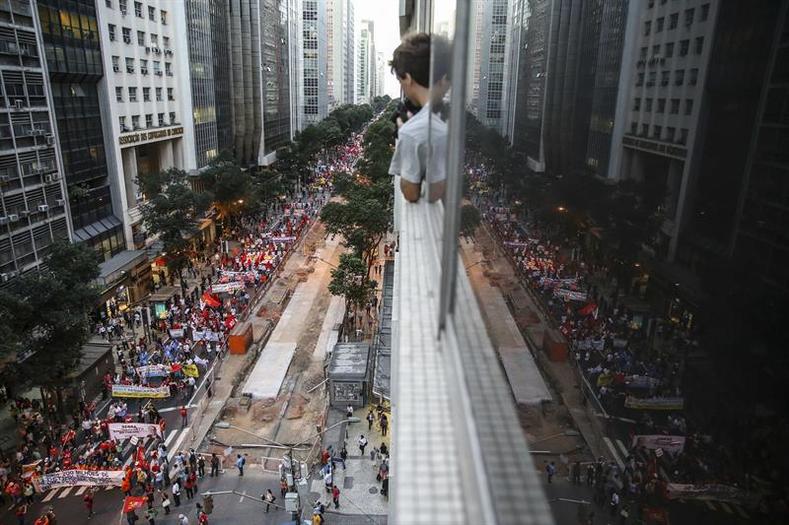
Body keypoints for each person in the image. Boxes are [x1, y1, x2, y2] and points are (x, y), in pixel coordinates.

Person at [388, 32, 452, 203]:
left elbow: (414, 194)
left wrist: (404, 137)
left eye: (400, 81)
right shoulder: (449, 116)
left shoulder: (414, 130)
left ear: (407, 78)